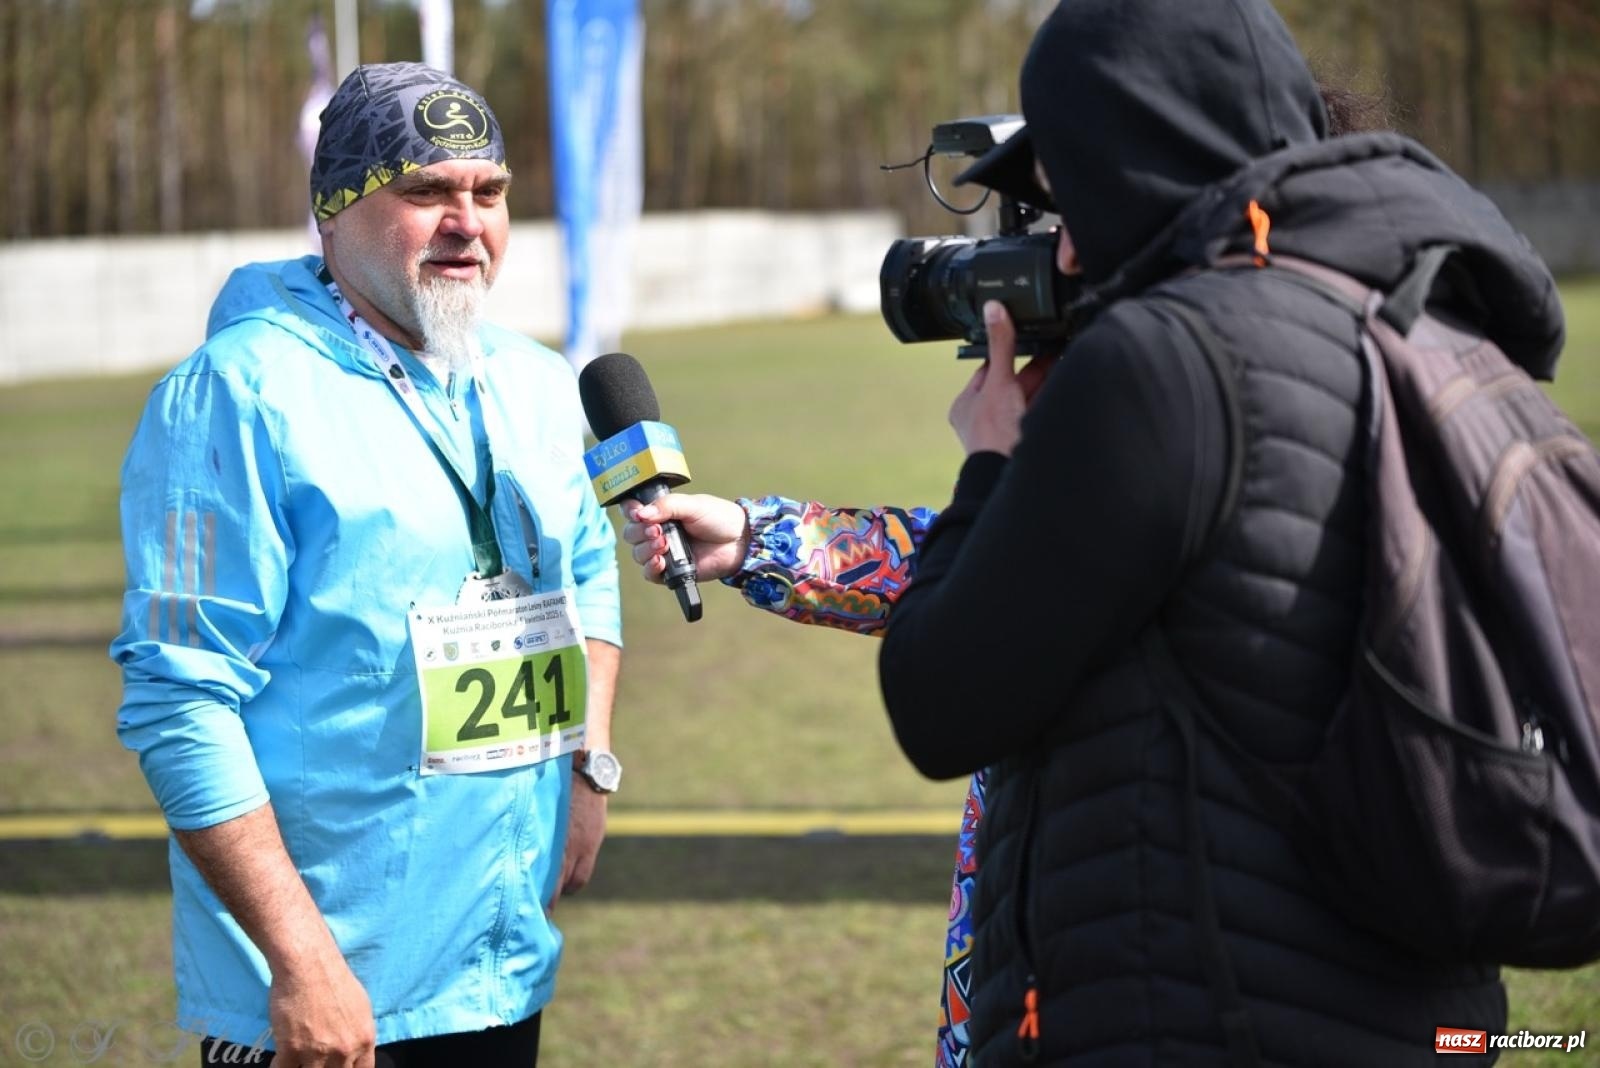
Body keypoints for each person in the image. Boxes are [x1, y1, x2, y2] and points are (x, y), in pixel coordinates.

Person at [623, 58, 1412, 1065]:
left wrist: (997, 460)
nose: (1059, 254)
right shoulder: (1336, 342)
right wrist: (759, 538)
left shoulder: (1210, 387)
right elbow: (1036, 570)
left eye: (1072, 212)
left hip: (1173, 993)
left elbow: (960, 675)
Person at [111, 62, 622, 1067]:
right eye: (426, 191)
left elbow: (590, 564)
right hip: (328, 992)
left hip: (498, 959)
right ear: (334, 213)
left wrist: (588, 761)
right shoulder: (236, 395)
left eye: (489, 192)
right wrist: (301, 963)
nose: (465, 221)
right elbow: (182, 703)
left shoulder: (534, 378)